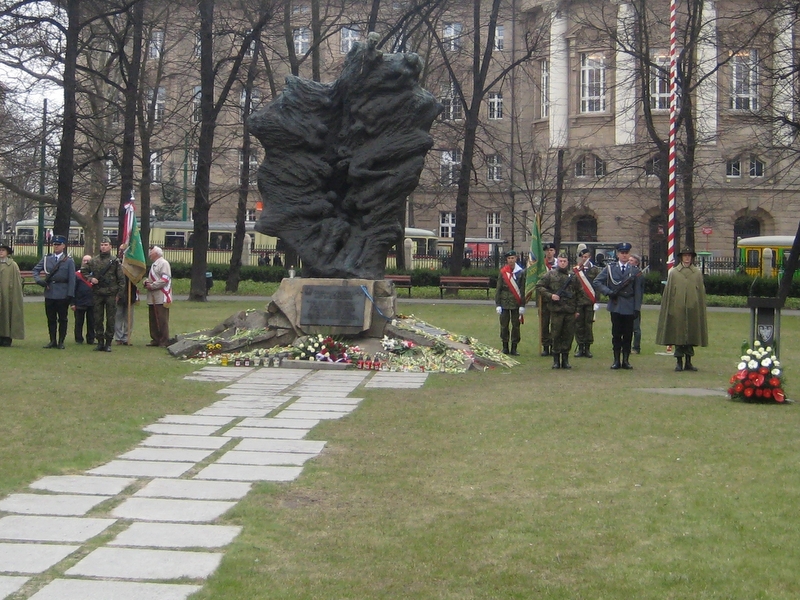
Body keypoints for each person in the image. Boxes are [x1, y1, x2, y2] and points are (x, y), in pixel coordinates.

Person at [592, 242, 644, 370]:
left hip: (629, 305)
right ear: (618, 254)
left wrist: (637, 308)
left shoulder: (634, 271)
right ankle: (616, 360)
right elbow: (597, 281)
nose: (624, 255)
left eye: (626, 253)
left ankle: (625, 360)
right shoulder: (610, 268)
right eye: (622, 253)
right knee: (616, 334)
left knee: (628, 334)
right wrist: (608, 292)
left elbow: (638, 291)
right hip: (615, 305)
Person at [656, 247, 708, 371]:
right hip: (677, 309)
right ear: (681, 257)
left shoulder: (697, 273)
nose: (687, 258)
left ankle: (688, 362)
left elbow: (700, 292)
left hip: (692, 309)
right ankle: (679, 362)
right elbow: (669, 293)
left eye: (689, 256)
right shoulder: (674, 273)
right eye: (685, 256)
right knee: (678, 336)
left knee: (690, 335)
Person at [32, 234, 76, 349]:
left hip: (63, 292)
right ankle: (52, 340)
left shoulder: (69, 261)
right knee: (51, 318)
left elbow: (72, 279)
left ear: (63, 246)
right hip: (50, 291)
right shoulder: (47, 258)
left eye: (58, 244)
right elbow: (36, 270)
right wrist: (39, 281)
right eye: (54, 244)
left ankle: (61, 341)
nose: (56, 246)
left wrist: (70, 294)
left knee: (62, 318)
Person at [535, 252, 578, 369]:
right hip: (556, 310)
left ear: (568, 262)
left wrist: (577, 310)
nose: (562, 263)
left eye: (564, 261)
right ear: (557, 262)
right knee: (556, 334)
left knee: (568, 335)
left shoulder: (573, 276)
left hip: (569, 310)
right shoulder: (550, 275)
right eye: (560, 261)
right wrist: (550, 296)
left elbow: (579, 293)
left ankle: (565, 359)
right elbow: (539, 286)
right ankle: (556, 360)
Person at [84, 237, 125, 352]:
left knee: (110, 319)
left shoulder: (115, 261)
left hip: (111, 294)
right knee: (97, 318)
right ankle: (100, 342)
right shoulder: (94, 260)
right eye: (102, 244)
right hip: (97, 293)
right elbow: (84, 271)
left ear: (110, 246)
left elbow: (121, 279)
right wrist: (91, 279)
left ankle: (108, 342)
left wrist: (119, 294)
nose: (103, 247)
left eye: (106, 244)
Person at [495, 250, 526, 355]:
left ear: (516, 258)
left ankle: (514, 347)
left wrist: (522, 305)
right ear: (506, 260)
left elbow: (522, 289)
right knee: (504, 325)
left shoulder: (521, 272)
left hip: (516, 303)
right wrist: (498, 304)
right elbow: (498, 289)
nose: (511, 260)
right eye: (509, 258)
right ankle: (505, 347)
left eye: (512, 258)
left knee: (516, 326)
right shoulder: (503, 272)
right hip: (504, 302)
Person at [573, 247, 601, 358]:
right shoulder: (576, 270)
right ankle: (580, 347)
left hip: (590, 301)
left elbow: (597, 286)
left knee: (588, 325)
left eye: (586, 257)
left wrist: (596, 301)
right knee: (579, 325)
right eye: (582, 257)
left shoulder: (594, 270)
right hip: (579, 302)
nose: (584, 259)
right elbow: (573, 286)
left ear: (589, 257)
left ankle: (587, 348)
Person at [144, 245, 172, 347]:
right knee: (153, 319)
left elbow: (165, 279)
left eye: (151, 253)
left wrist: (153, 285)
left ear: (156, 254)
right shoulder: (154, 264)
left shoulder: (163, 263)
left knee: (162, 319)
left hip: (161, 296)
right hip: (153, 296)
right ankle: (155, 339)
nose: (149, 254)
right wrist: (147, 283)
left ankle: (164, 340)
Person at [0, 242, 25, 346]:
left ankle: (7, 337)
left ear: (8, 252)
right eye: (0, 250)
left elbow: (16, 282)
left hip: (8, 295)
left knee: (8, 313)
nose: (1, 252)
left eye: (3, 250)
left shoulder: (12, 265)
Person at [538, 242, 558, 356]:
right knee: (544, 324)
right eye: (547, 251)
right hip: (545, 299)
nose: (549, 252)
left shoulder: (559, 265)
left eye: (551, 250)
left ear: (554, 252)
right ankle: (545, 346)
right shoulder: (541, 266)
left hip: (556, 299)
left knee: (555, 324)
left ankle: (554, 346)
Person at [71, 255, 95, 345]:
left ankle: (91, 339)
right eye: (84, 260)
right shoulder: (77, 275)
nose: (86, 262)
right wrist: (72, 303)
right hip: (79, 302)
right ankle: (78, 339)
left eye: (88, 261)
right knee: (79, 322)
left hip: (92, 302)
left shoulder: (95, 275)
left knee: (92, 322)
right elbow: (72, 289)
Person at [628, 254, 643, 353]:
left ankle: (636, 347)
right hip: (626, 304)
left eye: (631, 260)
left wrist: (637, 307)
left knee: (636, 328)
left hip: (634, 304)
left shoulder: (638, 274)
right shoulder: (627, 272)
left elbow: (639, 292)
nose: (629, 262)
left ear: (636, 263)